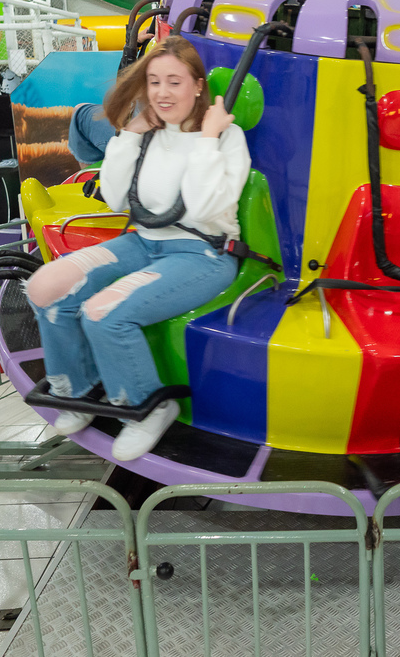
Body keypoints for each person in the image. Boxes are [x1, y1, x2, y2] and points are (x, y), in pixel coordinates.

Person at [25, 36, 249, 461]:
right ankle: (77, 386)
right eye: (154, 81)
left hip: (201, 254)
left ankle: (145, 407)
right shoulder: (148, 134)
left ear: (198, 85)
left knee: (103, 313)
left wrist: (207, 139)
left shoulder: (226, 136)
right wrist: (129, 135)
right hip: (143, 243)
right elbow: (114, 199)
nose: (163, 92)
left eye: (175, 82)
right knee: (44, 287)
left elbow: (203, 207)